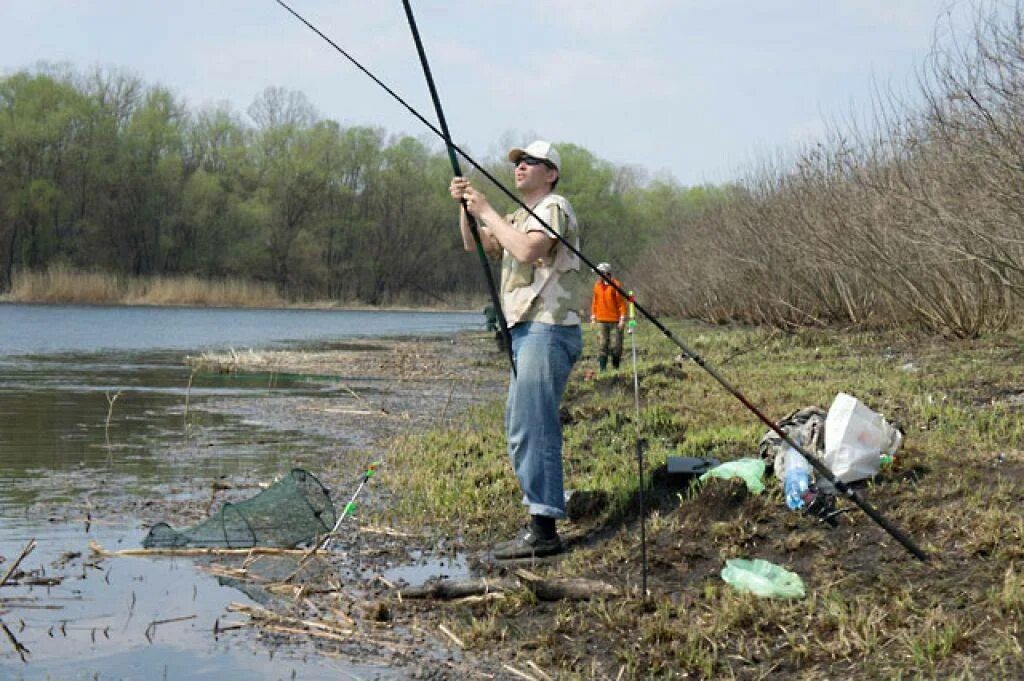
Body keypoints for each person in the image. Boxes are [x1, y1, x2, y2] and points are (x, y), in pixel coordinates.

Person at [449, 140, 584, 558]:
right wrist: (467, 207)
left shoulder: (553, 207)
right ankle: (539, 522)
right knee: (520, 424)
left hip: (548, 328)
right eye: (518, 162)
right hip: (526, 330)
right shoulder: (518, 215)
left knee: (534, 425)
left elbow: (528, 249)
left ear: (552, 173)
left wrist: (486, 209)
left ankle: (544, 531)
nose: (520, 167)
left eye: (531, 162)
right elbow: (479, 244)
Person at [590, 262, 627, 371]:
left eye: (599, 273)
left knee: (616, 346)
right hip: (601, 320)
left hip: (615, 320)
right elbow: (595, 302)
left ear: (606, 273)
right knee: (602, 344)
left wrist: (622, 319)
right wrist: (593, 316)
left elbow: (621, 303)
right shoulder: (597, 285)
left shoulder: (616, 285)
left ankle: (616, 369)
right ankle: (603, 370)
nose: (598, 276)